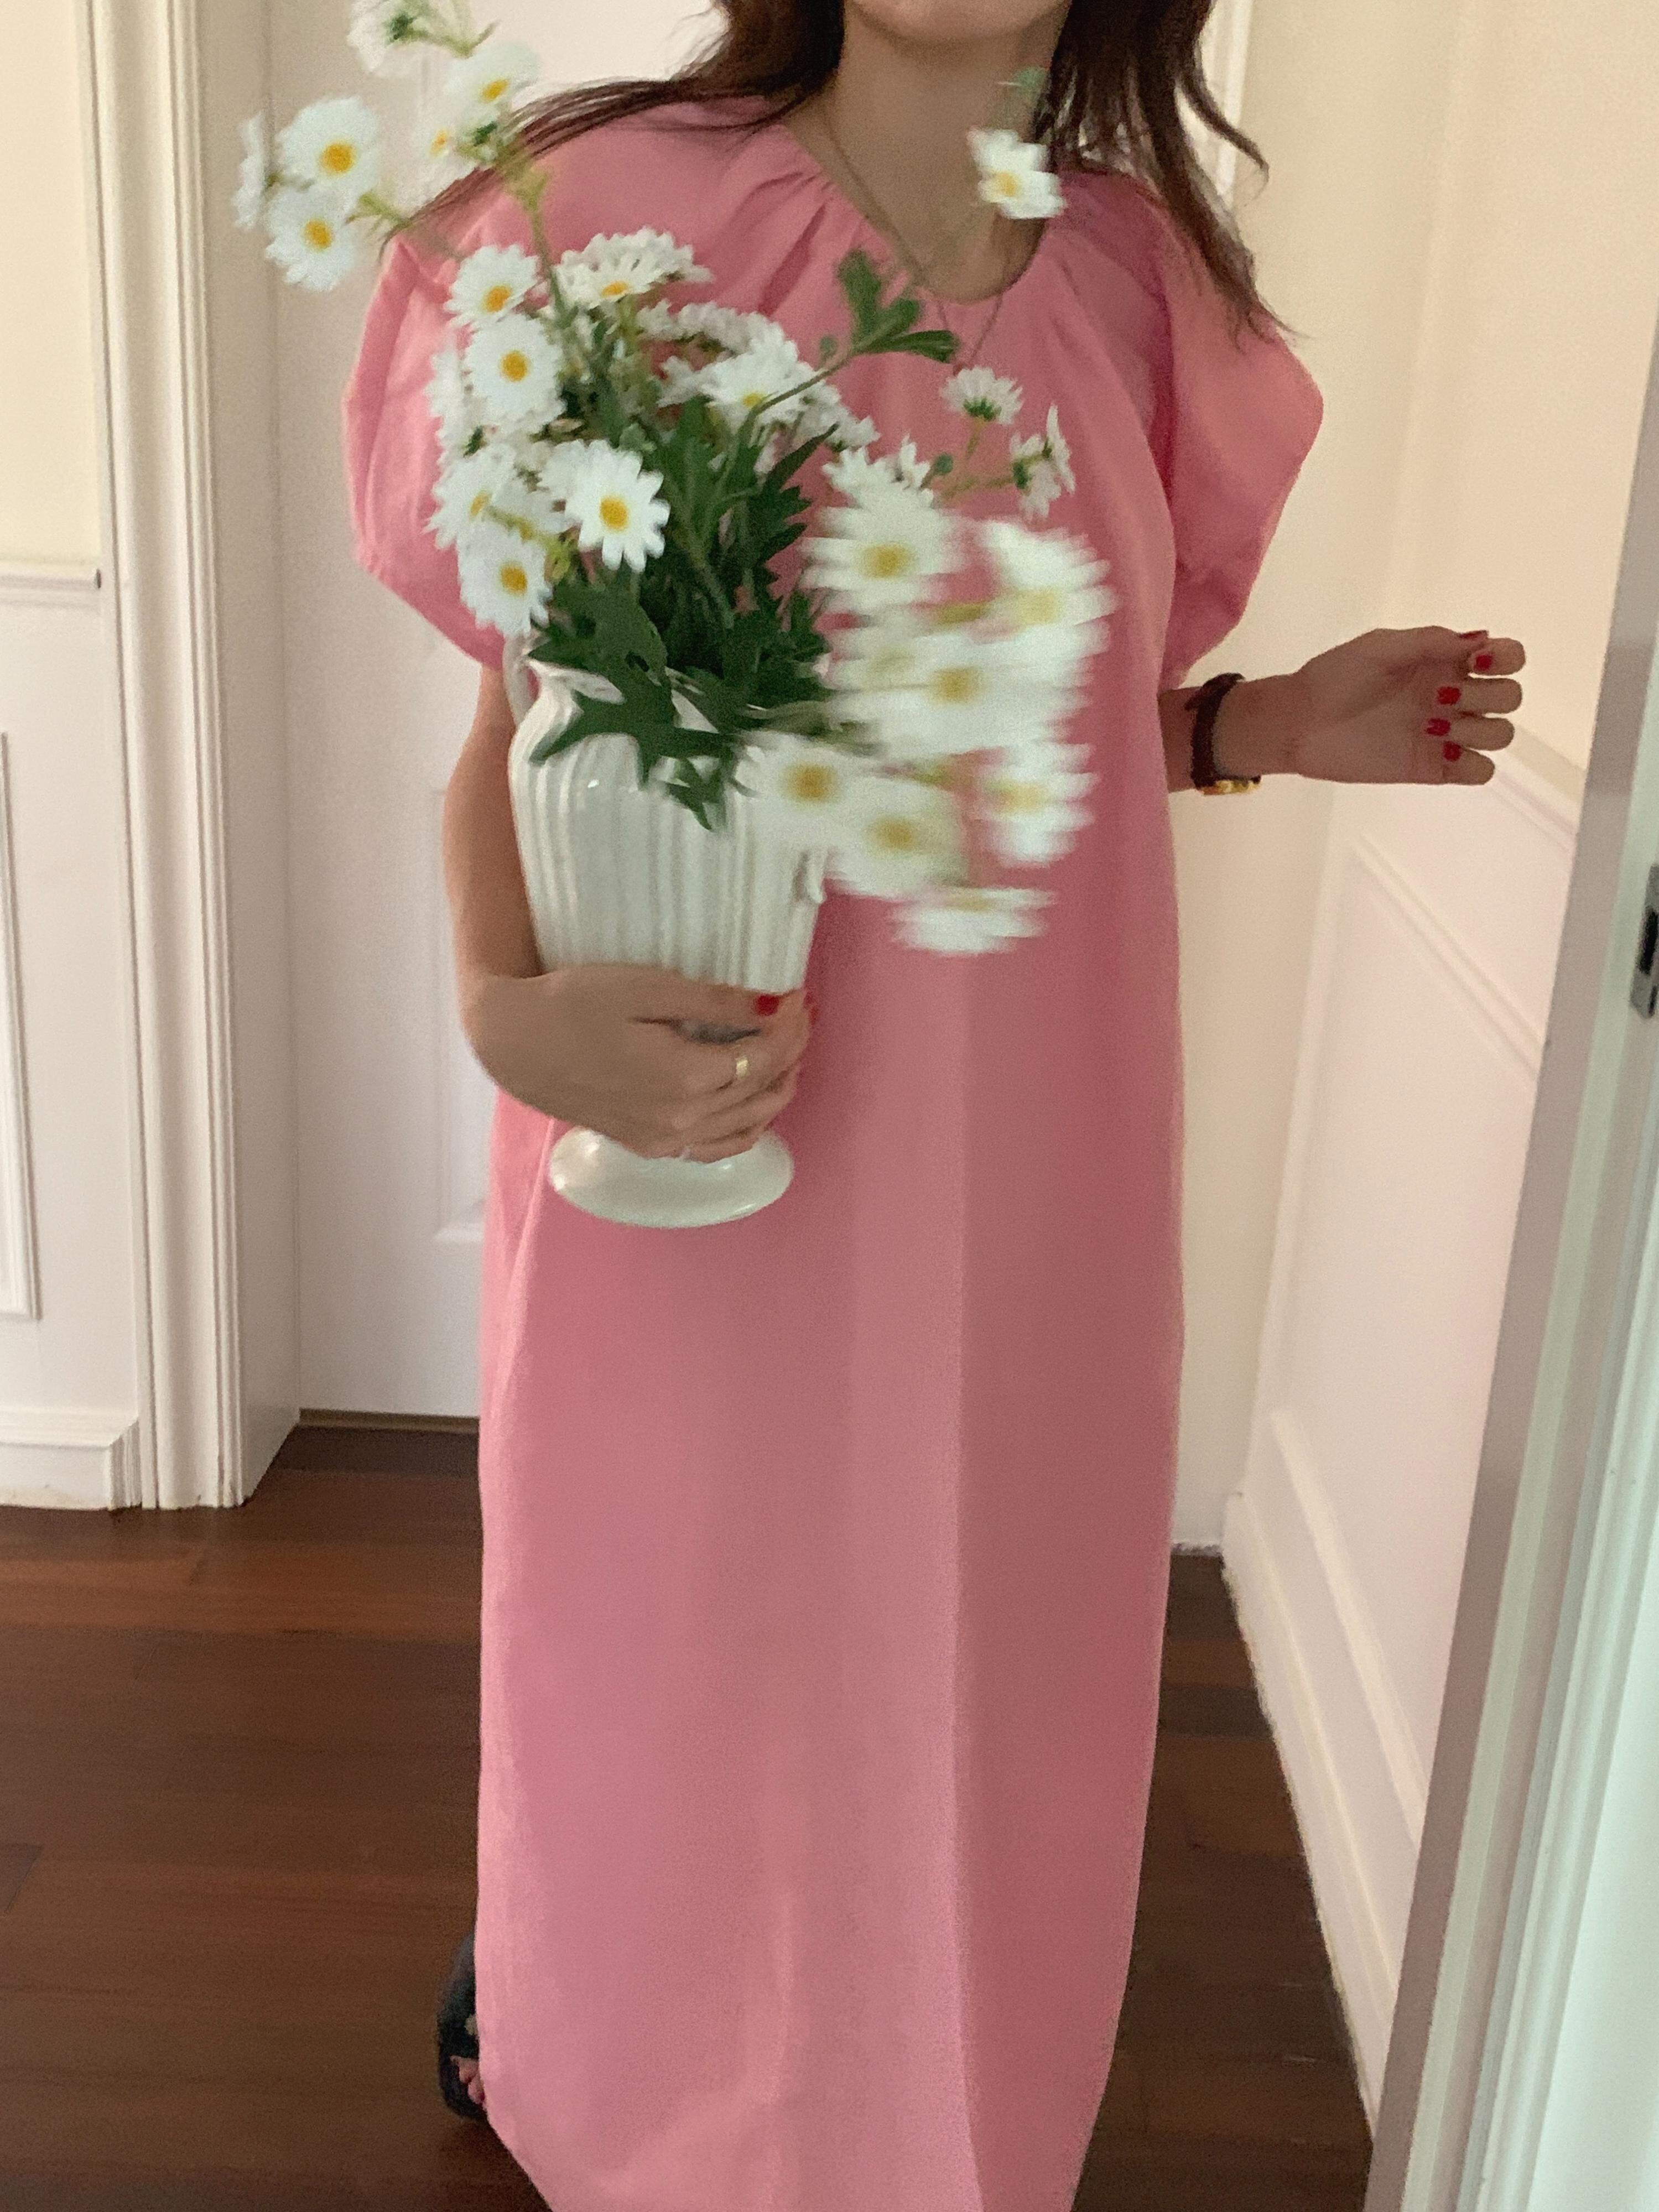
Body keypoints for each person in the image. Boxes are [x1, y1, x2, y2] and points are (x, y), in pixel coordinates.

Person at [343, 3, 1525, 2204]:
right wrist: (502, 1009)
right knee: (672, 1642)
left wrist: (1253, 722)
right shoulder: (612, 220)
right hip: (700, 1130)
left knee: (974, 1667)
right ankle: (609, 2060)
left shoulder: (1145, 299)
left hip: (1028, 1161)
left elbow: (1007, 737)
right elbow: (530, 711)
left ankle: (921, 2118)